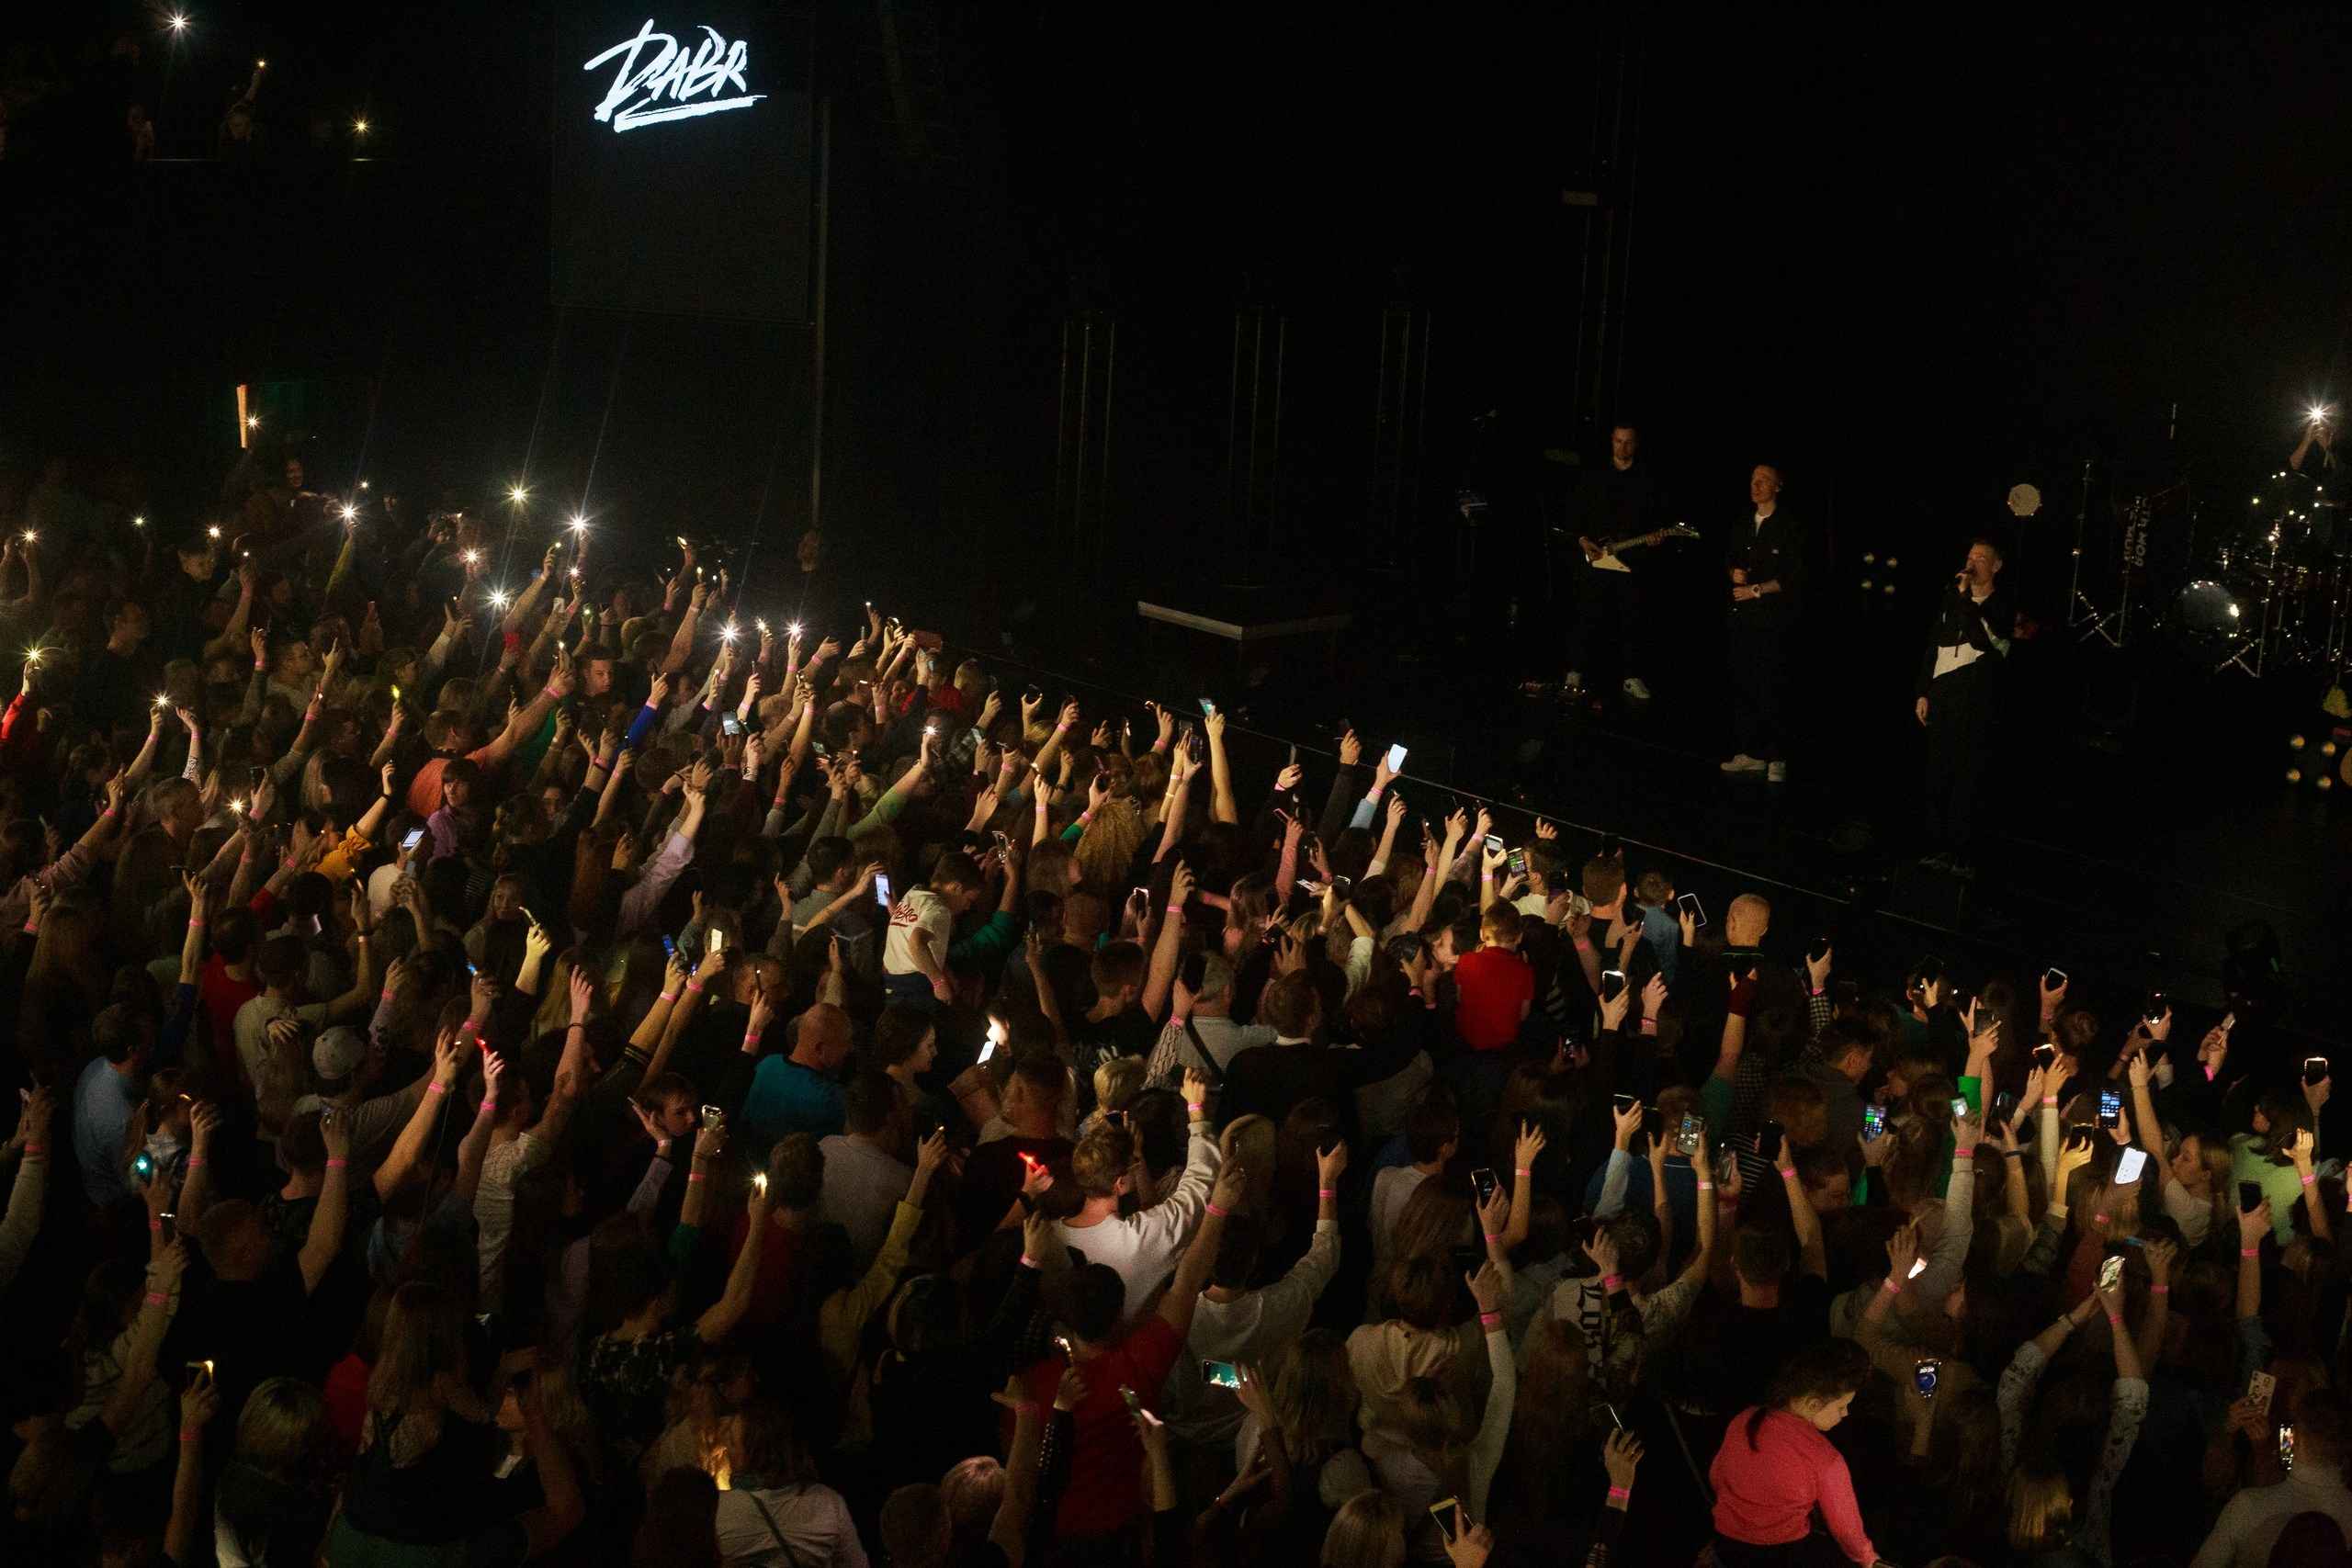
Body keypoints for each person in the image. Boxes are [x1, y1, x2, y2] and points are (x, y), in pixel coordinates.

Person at [1914, 536, 2016, 875]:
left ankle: (1963, 852)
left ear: (1997, 566)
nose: (1972, 563)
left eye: (1982, 558)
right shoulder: (1951, 599)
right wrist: (1923, 692)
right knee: (1937, 777)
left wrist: (1964, 601)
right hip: (1943, 698)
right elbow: (1933, 644)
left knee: (1967, 780)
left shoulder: (2002, 606)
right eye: (1970, 556)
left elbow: (1983, 639)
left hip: (1975, 702)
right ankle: (1936, 847)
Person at [1566, 423, 1665, 704]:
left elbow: (1654, 522)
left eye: (1628, 442)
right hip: (1597, 558)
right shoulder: (1595, 475)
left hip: (1631, 559)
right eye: (1618, 441)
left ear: (1636, 444)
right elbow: (1575, 515)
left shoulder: (1646, 479)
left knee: (1632, 619)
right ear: (1611, 442)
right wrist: (1583, 539)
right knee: (1587, 615)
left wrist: (1655, 538)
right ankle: (1575, 672)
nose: (1622, 447)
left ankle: (1631, 676)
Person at [1721, 464, 1800, 784]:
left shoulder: (1788, 526)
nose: (1756, 486)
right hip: (1742, 620)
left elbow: (1793, 577)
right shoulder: (1744, 523)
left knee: (1770, 688)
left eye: (1763, 481)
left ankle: (1776, 756)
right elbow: (1730, 560)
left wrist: (1755, 590)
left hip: (1772, 621)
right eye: (1753, 480)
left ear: (1778, 486)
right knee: (1744, 684)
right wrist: (1733, 574)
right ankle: (1751, 752)